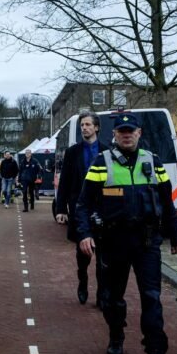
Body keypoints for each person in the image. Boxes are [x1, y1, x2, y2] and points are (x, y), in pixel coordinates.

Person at [75, 112, 177, 354]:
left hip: (147, 243)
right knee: (112, 298)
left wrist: (174, 233)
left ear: (139, 133)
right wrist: (85, 234)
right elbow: (84, 203)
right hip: (113, 242)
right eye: (121, 131)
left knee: (152, 299)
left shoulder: (153, 161)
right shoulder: (102, 162)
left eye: (130, 130)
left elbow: (166, 200)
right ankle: (116, 334)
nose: (126, 134)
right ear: (115, 135)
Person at [55, 111, 108, 307]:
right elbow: (65, 183)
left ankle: (102, 294)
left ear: (96, 127)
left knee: (103, 257)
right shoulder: (72, 152)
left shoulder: (107, 151)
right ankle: (83, 281)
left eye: (87, 124)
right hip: (79, 208)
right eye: (82, 125)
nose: (84, 128)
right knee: (83, 255)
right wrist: (61, 208)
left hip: (102, 209)